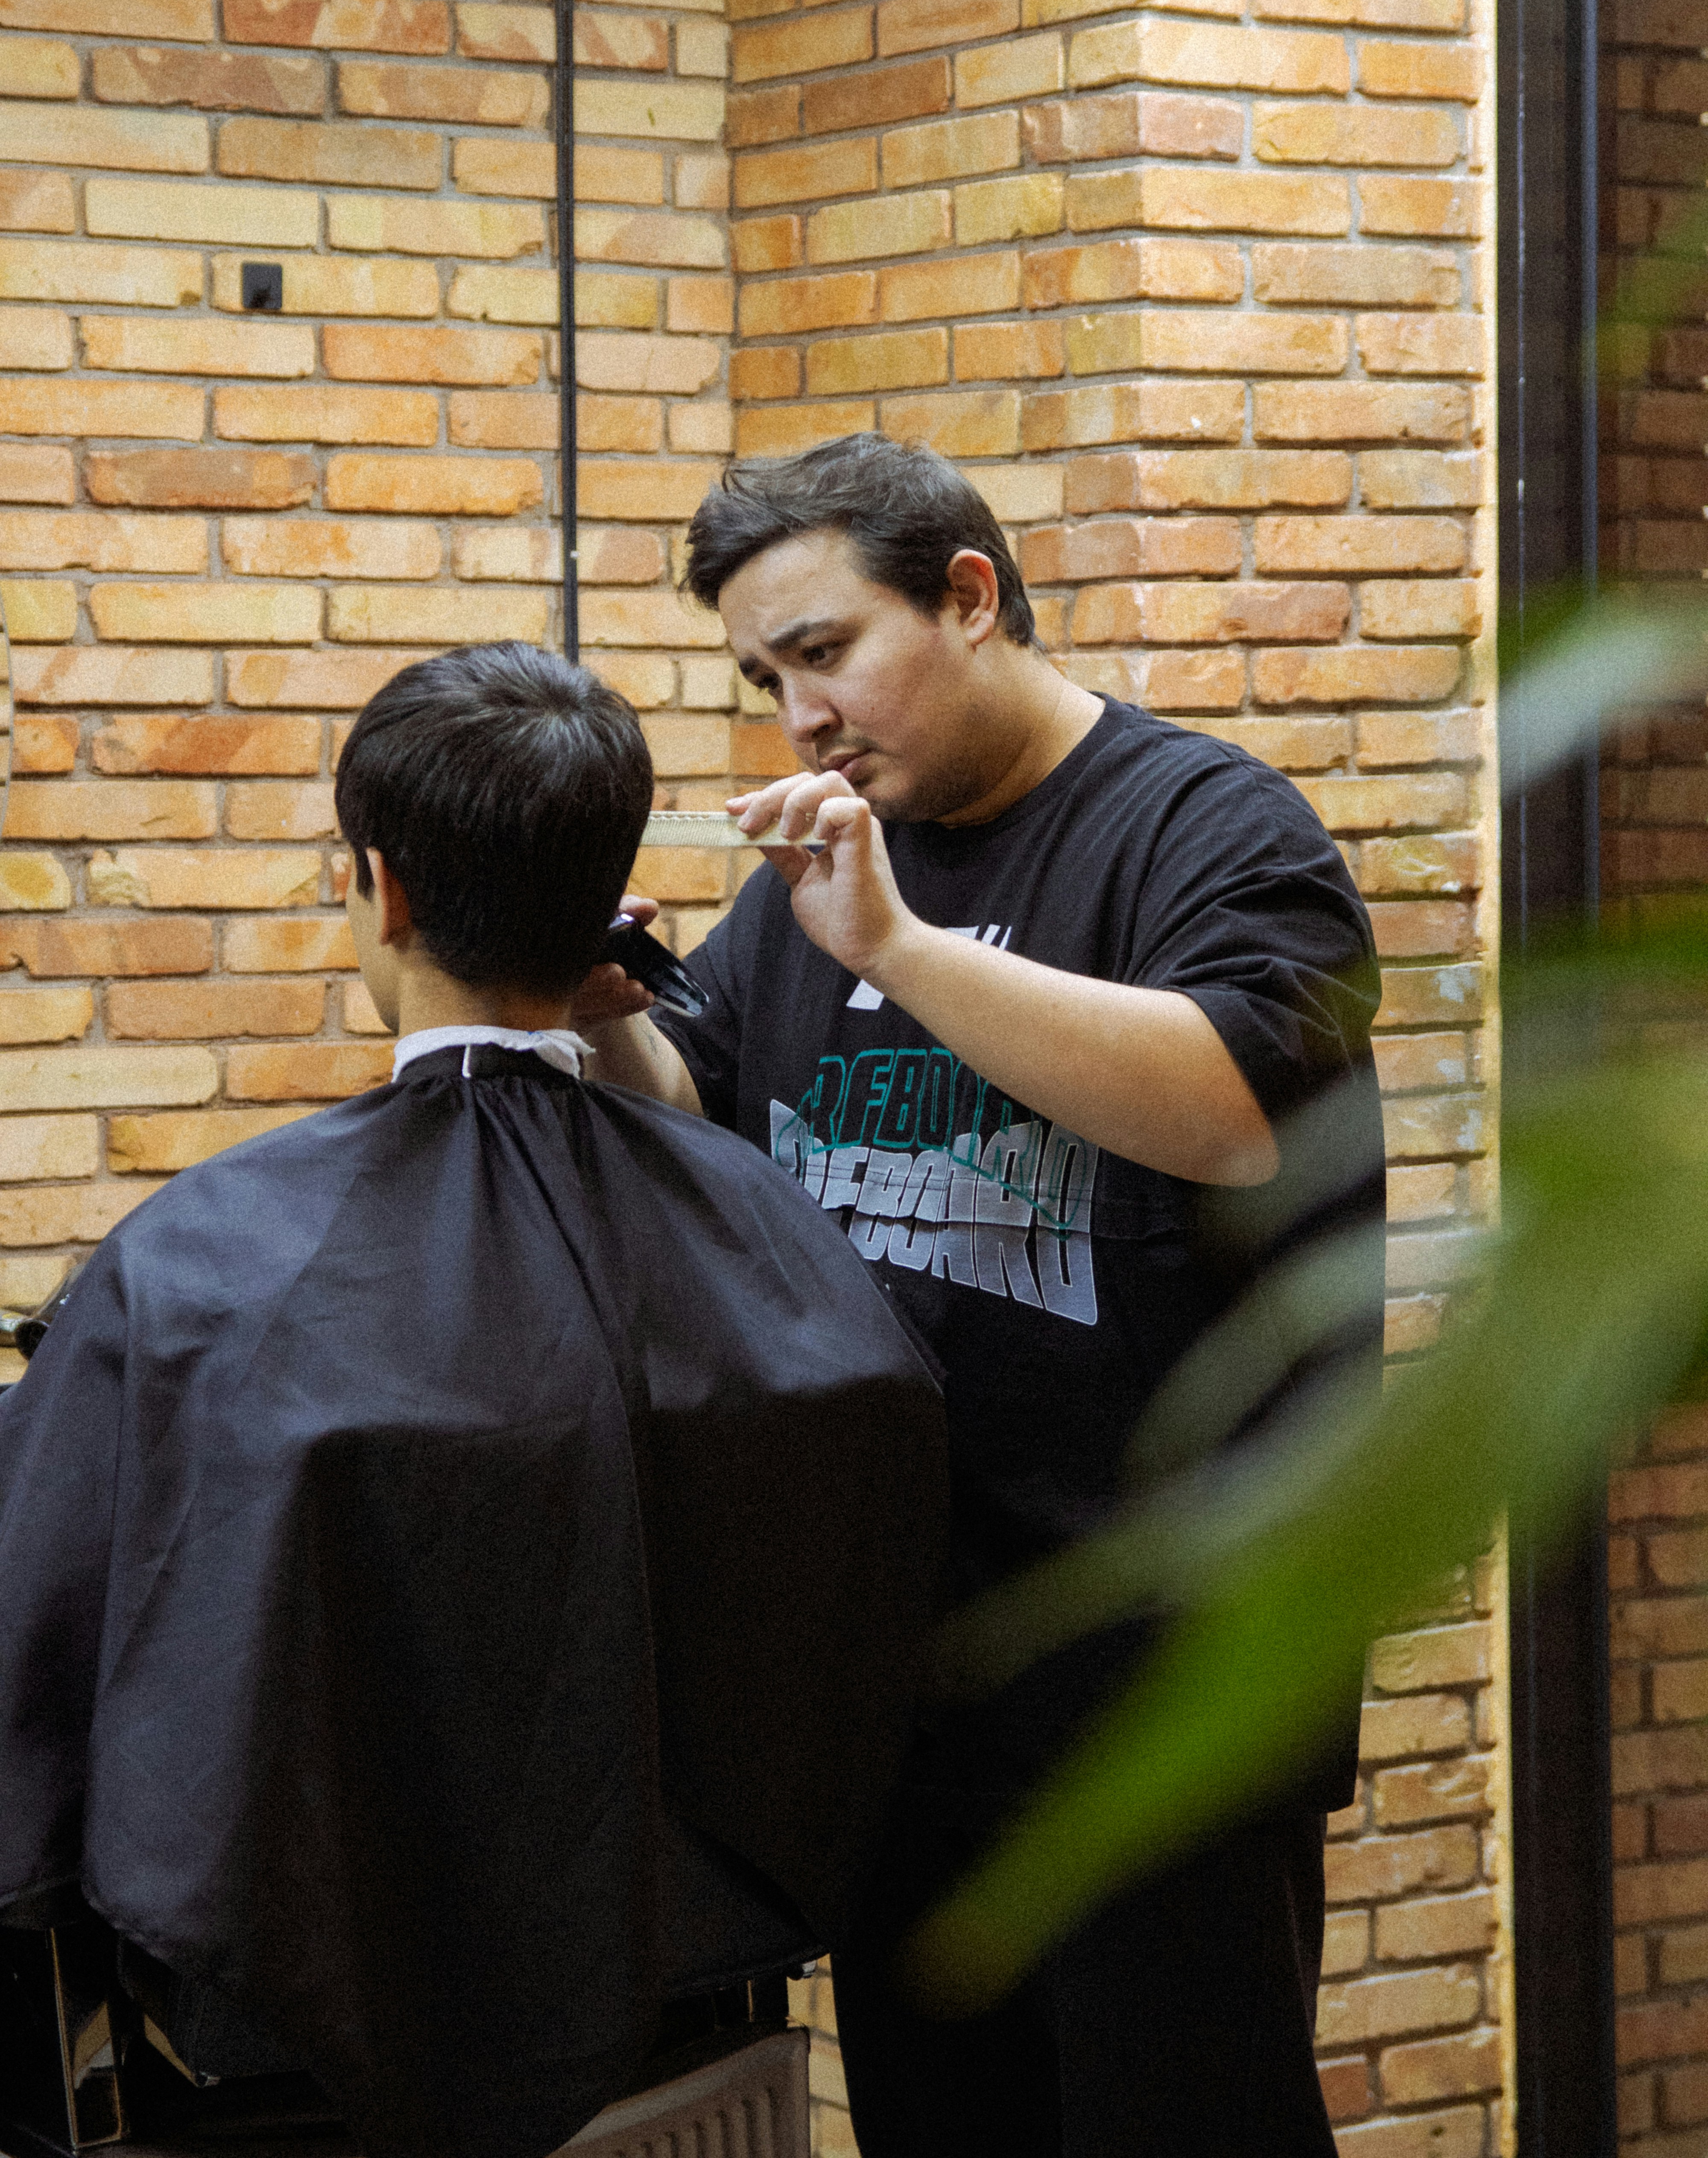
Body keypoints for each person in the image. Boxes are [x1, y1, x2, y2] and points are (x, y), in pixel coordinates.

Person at [0, 642, 947, 2158]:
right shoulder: (775, 1245)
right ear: (607, 898)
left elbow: (40, 1684)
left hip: (295, 2067)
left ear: (380, 888)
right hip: (703, 2023)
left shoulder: (202, 1264)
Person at [574, 437, 1387, 2158]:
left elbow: (1239, 1118)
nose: (797, 716)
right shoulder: (825, 872)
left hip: (1158, 1694)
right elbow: (709, 1110)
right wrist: (602, 1016)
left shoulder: (1206, 827)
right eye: (762, 677)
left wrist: (901, 952)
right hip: (907, 1673)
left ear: (967, 595)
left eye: (821, 651)